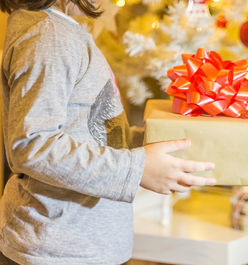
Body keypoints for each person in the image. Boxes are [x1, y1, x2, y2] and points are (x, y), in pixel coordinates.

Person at [0, 0, 216, 264]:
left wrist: (146, 145)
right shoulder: (48, 37)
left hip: (86, 245)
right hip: (59, 249)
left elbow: (89, 130)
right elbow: (33, 146)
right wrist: (135, 168)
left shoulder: (61, 32)